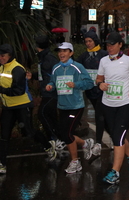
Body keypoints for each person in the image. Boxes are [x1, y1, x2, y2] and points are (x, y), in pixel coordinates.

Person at [0, 44, 57, 174]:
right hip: (8, 107)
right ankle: (2, 164)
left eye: (3, 55)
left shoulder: (18, 69)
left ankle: (48, 147)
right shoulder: (3, 67)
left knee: (29, 131)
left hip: (22, 105)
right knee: (4, 135)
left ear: (10, 56)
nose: (0, 58)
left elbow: (18, 91)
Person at [96, 32, 129, 185]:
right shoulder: (104, 61)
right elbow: (99, 78)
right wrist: (100, 84)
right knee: (116, 136)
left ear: (120, 45)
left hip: (126, 104)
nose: (109, 47)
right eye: (107, 45)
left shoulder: (128, 60)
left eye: (112, 44)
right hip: (108, 105)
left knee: (118, 138)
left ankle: (115, 172)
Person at [45, 42, 95, 174]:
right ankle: (85, 144)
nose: (61, 54)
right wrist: (50, 86)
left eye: (65, 51)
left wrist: (76, 84)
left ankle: (75, 162)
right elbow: (53, 81)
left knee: (66, 134)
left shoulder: (77, 67)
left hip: (76, 106)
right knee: (64, 133)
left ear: (71, 53)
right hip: (62, 106)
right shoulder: (56, 68)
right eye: (60, 51)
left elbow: (89, 83)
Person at [28, 36, 65, 151]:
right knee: (52, 117)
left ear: (37, 46)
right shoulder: (44, 57)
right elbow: (43, 74)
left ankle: (55, 139)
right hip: (48, 91)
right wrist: (33, 76)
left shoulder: (47, 58)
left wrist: (51, 85)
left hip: (50, 92)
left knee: (42, 114)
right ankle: (60, 139)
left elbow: (53, 74)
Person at [77, 30, 109, 156]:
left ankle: (99, 142)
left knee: (99, 115)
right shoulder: (84, 56)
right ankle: (112, 134)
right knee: (102, 115)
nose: (88, 44)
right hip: (90, 91)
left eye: (90, 41)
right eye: (86, 41)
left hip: (102, 90)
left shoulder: (103, 55)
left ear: (95, 41)